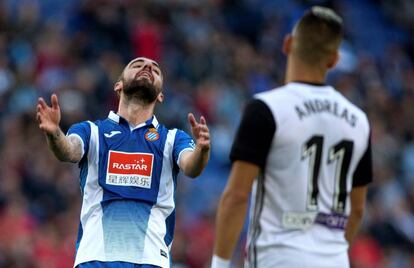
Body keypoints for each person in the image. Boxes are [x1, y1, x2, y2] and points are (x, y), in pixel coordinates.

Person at [211, 6, 372, 268]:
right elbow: (358, 210)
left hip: (276, 258)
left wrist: (219, 263)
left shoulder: (267, 108)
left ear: (287, 44)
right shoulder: (359, 121)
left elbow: (237, 196)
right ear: (333, 60)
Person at [36, 57, 210, 268]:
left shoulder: (173, 138)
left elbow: (191, 166)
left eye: (155, 69)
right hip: (95, 258)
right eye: (138, 65)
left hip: (151, 259)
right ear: (118, 85)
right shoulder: (92, 131)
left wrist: (202, 149)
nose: (147, 67)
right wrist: (55, 133)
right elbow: (68, 150)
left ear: (161, 95)